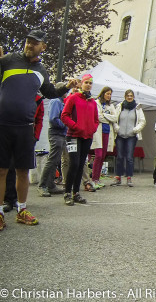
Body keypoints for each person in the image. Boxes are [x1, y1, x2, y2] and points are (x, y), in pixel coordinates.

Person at [0, 29, 77, 230]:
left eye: (34, 43)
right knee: (1, 171)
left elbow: (50, 92)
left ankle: (21, 210)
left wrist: (66, 86)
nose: (29, 45)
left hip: (25, 126)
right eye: (27, 41)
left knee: (23, 170)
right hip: (3, 124)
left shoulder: (41, 71)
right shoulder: (8, 60)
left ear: (42, 47)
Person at [61, 74, 99, 206]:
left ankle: (76, 193)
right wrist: (75, 126)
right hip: (73, 136)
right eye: (86, 82)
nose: (88, 85)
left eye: (90, 83)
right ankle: (67, 192)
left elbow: (96, 120)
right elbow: (64, 116)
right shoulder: (73, 98)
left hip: (87, 137)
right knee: (74, 163)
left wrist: (92, 129)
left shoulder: (93, 102)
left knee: (81, 165)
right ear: (81, 84)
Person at [38, 83, 68, 197]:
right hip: (56, 133)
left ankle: (50, 185)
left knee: (55, 160)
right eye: (65, 90)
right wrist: (65, 124)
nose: (67, 92)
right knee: (52, 160)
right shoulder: (56, 101)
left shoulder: (60, 102)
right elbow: (53, 119)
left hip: (60, 134)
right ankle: (43, 185)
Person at [111, 89, 146, 187]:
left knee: (130, 157)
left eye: (131, 96)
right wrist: (116, 128)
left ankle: (129, 177)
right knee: (120, 157)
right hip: (120, 135)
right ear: (125, 97)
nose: (129, 97)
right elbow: (114, 119)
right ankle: (118, 177)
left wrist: (136, 129)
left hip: (131, 136)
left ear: (133, 97)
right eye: (128, 96)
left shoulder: (137, 108)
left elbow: (142, 121)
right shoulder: (119, 107)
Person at [90, 86, 117, 188]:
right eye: (107, 93)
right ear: (103, 93)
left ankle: (98, 179)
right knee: (98, 155)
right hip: (98, 131)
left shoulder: (111, 106)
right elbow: (98, 117)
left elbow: (115, 118)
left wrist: (105, 116)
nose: (109, 96)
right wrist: (108, 118)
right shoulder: (96, 103)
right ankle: (93, 179)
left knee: (103, 156)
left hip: (107, 132)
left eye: (110, 94)